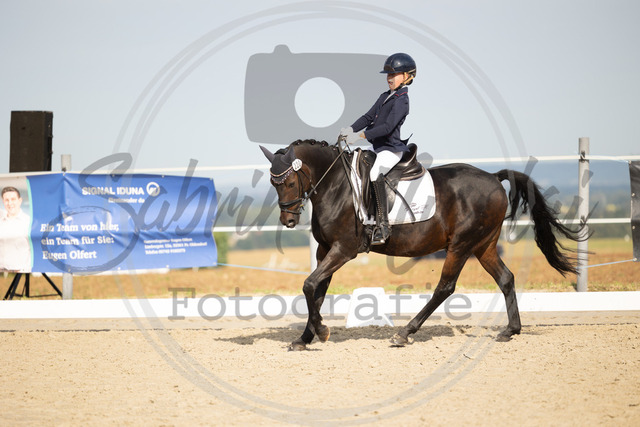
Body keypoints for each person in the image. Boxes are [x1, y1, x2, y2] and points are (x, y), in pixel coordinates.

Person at [339, 52, 417, 245]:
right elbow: (368, 117)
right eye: (388, 75)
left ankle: (383, 225)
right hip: (378, 148)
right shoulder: (385, 96)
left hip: (391, 150)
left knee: (375, 174)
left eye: (394, 74)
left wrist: (361, 136)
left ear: (407, 76)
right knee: (356, 168)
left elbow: (388, 127)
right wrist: (350, 129)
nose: (389, 78)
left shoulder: (402, 100)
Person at [0, 186, 32, 272]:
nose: (10, 203)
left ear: (20, 201)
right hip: (2, 272)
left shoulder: (29, 222)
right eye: (6, 200)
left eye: (13, 199)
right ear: (3, 202)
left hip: (21, 272)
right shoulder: (1, 223)